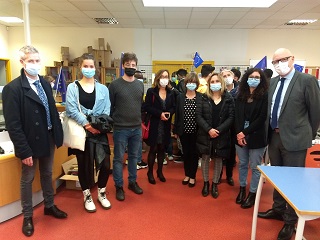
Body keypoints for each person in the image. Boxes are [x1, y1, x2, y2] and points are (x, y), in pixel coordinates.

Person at [2, 45, 67, 237]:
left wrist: (58, 136)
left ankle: (49, 205)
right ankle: (28, 216)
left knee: (47, 173)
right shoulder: (13, 89)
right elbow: (13, 124)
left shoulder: (45, 84)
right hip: (29, 141)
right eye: (30, 61)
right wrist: (24, 150)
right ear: (22, 62)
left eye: (37, 61)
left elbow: (52, 112)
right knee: (28, 178)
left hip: (48, 137)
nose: (35, 64)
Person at [258, 48, 320, 240]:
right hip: (274, 137)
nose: (278, 64)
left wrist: (307, 135)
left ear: (292, 59)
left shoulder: (306, 81)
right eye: (275, 62)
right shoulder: (273, 82)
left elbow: (315, 111)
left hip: (295, 138)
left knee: (293, 182)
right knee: (277, 177)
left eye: (282, 60)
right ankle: (277, 209)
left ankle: (290, 221)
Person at [66, 53, 112, 213]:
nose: (88, 69)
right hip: (82, 132)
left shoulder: (103, 89)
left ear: (96, 69)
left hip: (100, 133)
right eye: (85, 66)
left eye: (91, 66)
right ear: (80, 68)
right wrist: (87, 124)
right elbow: (70, 109)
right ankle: (87, 195)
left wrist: (98, 125)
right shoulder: (73, 87)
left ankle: (101, 192)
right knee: (85, 166)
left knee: (105, 165)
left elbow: (107, 109)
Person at [108, 52, 144, 201]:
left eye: (133, 65)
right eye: (127, 64)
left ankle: (132, 182)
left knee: (134, 157)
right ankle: (119, 186)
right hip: (120, 128)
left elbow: (139, 105)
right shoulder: (115, 85)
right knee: (118, 159)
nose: (130, 67)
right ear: (123, 66)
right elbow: (110, 107)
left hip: (136, 128)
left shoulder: (140, 85)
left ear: (136, 67)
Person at [196, 73, 234, 198]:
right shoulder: (203, 98)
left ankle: (215, 184)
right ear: (208, 84)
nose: (215, 83)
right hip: (205, 134)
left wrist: (218, 130)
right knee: (206, 158)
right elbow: (198, 116)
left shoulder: (228, 98)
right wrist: (209, 130)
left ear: (222, 83)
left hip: (221, 134)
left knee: (218, 159)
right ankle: (206, 183)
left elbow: (231, 117)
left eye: (217, 81)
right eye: (212, 81)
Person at [234, 68, 268, 209]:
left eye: (257, 77)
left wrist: (244, 132)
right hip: (240, 134)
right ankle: (242, 188)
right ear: (246, 78)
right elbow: (236, 115)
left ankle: (252, 193)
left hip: (256, 136)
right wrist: (239, 133)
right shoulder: (240, 94)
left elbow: (262, 118)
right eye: (251, 76)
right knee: (242, 163)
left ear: (261, 80)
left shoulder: (264, 95)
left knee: (255, 166)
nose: (254, 79)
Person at [144, 69, 175, 184]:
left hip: (165, 124)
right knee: (153, 149)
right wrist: (159, 113)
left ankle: (160, 172)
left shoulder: (171, 93)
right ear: (157, 78)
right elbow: (146, 106)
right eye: (162, 76)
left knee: (162, 149)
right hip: (154, 124)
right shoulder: (151, 91)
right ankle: (150, 172)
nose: (164, 79)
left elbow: (174, 107)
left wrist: (169, 113)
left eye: (166, 76)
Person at [174, 72, 201, 187]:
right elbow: (177, 115)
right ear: (185, 83)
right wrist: (175, 130)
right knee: (186, 154)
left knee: (194, 154)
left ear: (197, 84)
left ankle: (193, 176)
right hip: (183, 131)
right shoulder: (180, 97)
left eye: (194, 83)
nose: (191, 84)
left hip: (197, 132)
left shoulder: (201, 97)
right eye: (189, 82)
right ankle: (187, 174)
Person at [219, 69, 237, 186]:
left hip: (234, 126)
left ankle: (229, 175)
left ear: (233, 76)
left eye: (228, 75)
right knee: (220, 153)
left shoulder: (240, 91)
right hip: (221, 126)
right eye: (224, 76)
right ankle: (218, 175)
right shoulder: (219, 92)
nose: (226, 77)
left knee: (231, 152)